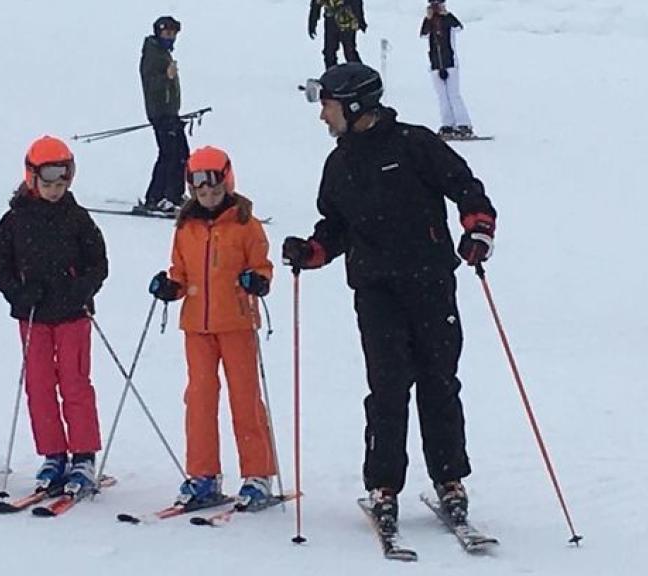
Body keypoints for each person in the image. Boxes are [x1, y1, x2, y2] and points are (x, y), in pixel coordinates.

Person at [286, 63, 496, 530]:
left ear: (355, 104)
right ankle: (384, 485)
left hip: (430, 283)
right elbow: (335, 227)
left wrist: (478, 230)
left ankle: (449, 480)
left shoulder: (414, 144)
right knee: (387, 387)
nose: (323, 115)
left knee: (439, 381)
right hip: (376, 291)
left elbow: (466, 188)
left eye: (327, 104)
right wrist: (313, 251)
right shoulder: (340, 163)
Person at [148, 146, 277, 509]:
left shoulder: (244, 224)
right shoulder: (186, 227)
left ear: (228, 182)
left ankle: (257, 473)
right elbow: (180, 271)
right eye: (200, 192)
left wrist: (258, 280)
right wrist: (170, 286)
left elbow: (263, 266)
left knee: (244, 397)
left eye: (214, 190)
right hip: (197, 327)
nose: (207, 198)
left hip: (236, 323)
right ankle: (203, 474)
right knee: (200, 399)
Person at [0, 136, 108, 498]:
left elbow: (98, 264)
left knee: (74, 384)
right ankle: (53, 453)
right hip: (34, 316)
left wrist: (81, 289)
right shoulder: (14, 221)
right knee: (38, 386)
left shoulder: (78, 219)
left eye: (62, 183)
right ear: (31, 179)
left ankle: (83, 454)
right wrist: (17, 291)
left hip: (72, 314)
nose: (55, 190)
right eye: (48, 183)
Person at [140, 15, 190, 215]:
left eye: (173, 33)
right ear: (158, 32)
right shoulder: (153, 54)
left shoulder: (163, 53)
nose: (170, 37)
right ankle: (158, 198)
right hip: (160, 114)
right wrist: (166, 76)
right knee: (169, 155)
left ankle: (174, 195)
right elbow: (150, 84)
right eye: (167, 33)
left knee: (181, 154)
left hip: (169, 113)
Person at [421, 0, 473, 138]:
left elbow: (459, 28)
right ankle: (447, 124)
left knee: (453, 94)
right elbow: (424, 35)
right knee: (442, 96)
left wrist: (447, 15)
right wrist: (428, 19)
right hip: (435, 64)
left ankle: (464, 124)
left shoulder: (448, 20)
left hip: (450, 63)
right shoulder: (430, 22)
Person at [308, 0, 367, 70]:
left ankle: (360, 75)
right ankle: (332, 76)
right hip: (330, 20)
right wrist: (312, 21)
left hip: (347, 19)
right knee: (329, 53)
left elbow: (356, 1)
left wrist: (360, 19)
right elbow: (316, 3)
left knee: (349, 52)